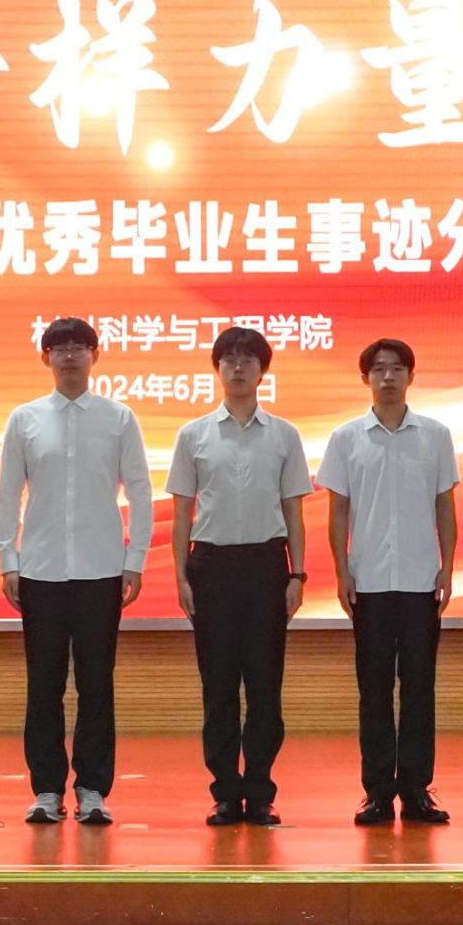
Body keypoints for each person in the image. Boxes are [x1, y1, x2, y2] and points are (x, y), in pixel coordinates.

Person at [0, 317, 154, 827]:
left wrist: (134, 560)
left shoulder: (118, 418)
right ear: (45, 357)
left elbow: (141, 490)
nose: (69, 356)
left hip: (100, 568)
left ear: (94, 355)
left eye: (79, 347)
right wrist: (8, 560)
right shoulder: (24, 419)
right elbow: (6, 495)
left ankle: (92, 789)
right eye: (59, 348)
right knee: (43, 685)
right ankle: (46, 789)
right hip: (39, 570)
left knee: (96, 684)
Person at [167, 326, 313, 827]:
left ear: (262, 370)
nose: (237, 367)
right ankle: (226, 792)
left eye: (248, 359)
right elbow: (182, 514)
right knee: (219, 687)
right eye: (228, 359)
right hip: (211, 568)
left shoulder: (284, 435)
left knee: (266, 686)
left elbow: (293, 512)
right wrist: (181, 578)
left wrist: (298, 575)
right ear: (216, 368)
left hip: (267, 567)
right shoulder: (193, 435)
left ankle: (261, 791)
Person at [320, 338, 459, 827]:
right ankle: (377, 791)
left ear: (411, 376)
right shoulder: (346, 438)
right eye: (378, 369)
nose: (388, 377)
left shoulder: (436, 435)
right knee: (375, 690)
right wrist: (342, 571)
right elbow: (339, 512)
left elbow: (444, 506)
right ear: (365, 378)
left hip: (422, 580)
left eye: (398, 368)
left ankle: (417, 789)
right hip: (370, 581)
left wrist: (448, 566)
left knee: (420, 688)